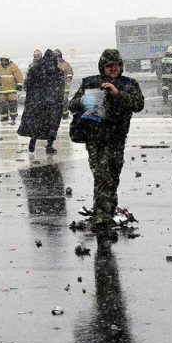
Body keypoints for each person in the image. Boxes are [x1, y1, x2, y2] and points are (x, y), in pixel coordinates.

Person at [68, 49, 144, 242]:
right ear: (103, 67)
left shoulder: (129, 84)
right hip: (96, 139)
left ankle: (106, 216)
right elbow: (72, 104)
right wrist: (84, 100)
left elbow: (138, 104)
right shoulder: (90, 83)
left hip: (117, 140)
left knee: (112, 178)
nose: (114, 69)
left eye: (117, 65)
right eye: (110, 66)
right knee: (102, 178)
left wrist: (118, 94)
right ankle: (101, 224)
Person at [18, 49, 65, 153]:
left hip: (38, 102)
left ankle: (33, 139)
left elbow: (28, 85)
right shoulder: (59, 72)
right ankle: (49, 145)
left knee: (37, 123)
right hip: (52, 103)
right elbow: (60, 89)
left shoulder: (34, 69)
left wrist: (31, 100)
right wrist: (59, 102)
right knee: (53, 124)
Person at [0, 53, 24, 124]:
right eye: (2, 60)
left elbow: (19, 76)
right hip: (1, 90)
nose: (4, 61)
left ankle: (13, 118)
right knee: (2, 104)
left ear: (8, 60)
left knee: (13, 103)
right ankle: (4, 118)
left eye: (5, 60)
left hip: (11, 89)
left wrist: (19, 84)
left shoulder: (13, 66)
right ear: (0, 60)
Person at [54, 48, 74, 119]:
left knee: (64, 100)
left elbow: (69, 72)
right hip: (55, 87)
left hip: (65, 87)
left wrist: (68, 78)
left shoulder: (65, 64)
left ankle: (65, 114)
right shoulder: (51, 65)